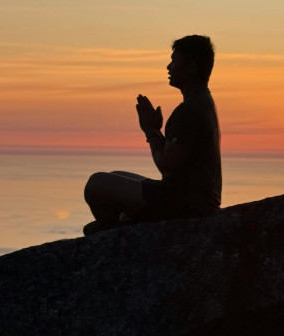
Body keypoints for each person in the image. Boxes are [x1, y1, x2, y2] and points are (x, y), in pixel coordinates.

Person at [83, 35, 221, 235]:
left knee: (96, 184)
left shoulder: (188, 111)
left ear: (191, 67)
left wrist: (151, 131)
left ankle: (115, 235)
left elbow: (167, 167)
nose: (168, 67)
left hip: (184, 205)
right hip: (195, 201)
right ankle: (119, 227)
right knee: (115, 175)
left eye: (174, 61)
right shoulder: (204, 102)